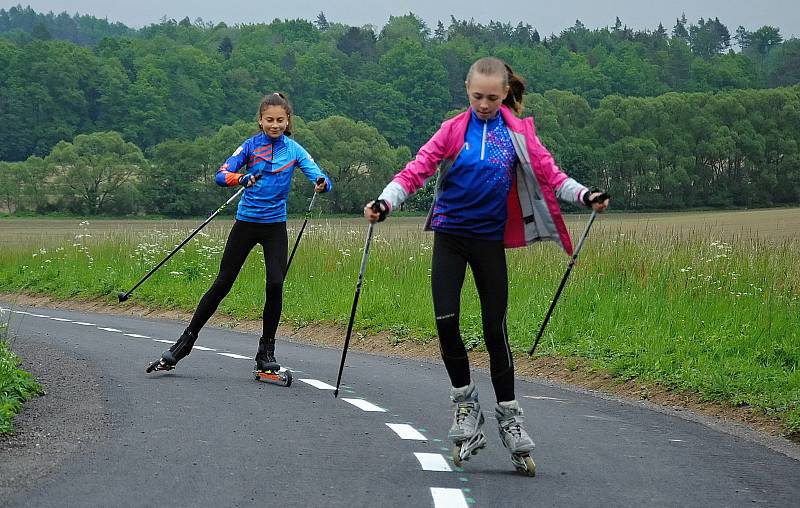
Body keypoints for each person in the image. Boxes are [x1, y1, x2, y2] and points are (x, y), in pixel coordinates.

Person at [364, 57, 608, 476]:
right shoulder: (453, 130)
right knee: (445, 322)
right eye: (477, 96)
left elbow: (552, 174)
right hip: (450, 236)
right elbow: (415, 171)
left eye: (493, 98)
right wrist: (385, 202)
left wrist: (586, 196)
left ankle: (511, 418)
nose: (484, 104)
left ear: (505, 93)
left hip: (489, 241)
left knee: (495, 330)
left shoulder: (516, 133)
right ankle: (465, 406)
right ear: (467, 89)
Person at [150, 92, 332, 375]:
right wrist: (242, 177)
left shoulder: (294, 150)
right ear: (260, 120)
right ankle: (183, 344)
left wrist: (322, 183)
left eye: (280, 120)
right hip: (246, 223)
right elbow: (221, 174)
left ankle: (266, 351)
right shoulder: (249, 146)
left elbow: (319, 175)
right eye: (269, 120)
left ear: (288, 121)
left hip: (275, 226)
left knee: (275, 284)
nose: (275, 125)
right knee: (223, 283)